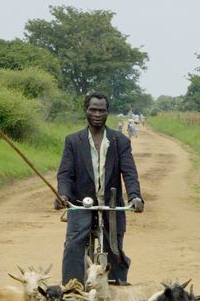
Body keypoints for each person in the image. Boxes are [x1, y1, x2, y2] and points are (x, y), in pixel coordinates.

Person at [54, 92, 144, 285]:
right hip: (80, 204)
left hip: (111, 207)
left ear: (107, 113)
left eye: (101, 110)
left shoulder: (120, 141)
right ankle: (72, 291)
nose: (97, 114)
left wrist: (135, 197)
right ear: (85, 110)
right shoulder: (73, 141)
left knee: (114, 249)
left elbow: (129, 173)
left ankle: (117, 294)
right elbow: (65, 174)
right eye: (92, 109)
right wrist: (63, 194)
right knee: (73, 246)